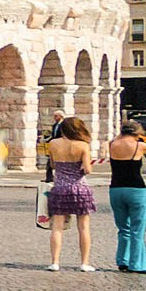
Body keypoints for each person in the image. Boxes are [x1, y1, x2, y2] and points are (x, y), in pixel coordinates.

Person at [108, 120, 146, 274]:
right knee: (137, 230)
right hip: (135, 189)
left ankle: (122, 261)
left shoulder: (112, 144)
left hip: (116, 189)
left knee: (123, 228)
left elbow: (119, 137)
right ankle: (137, 265)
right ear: (137, 132)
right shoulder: (140, 146)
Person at [45, 116, 98, 272]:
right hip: (79, 188)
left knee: (57, 228)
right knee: (83, 227)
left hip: (60, 187)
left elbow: (53, 164)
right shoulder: (83, 145)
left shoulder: (53, 144)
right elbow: (87, 169)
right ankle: (84, 263)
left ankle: (55, 262)